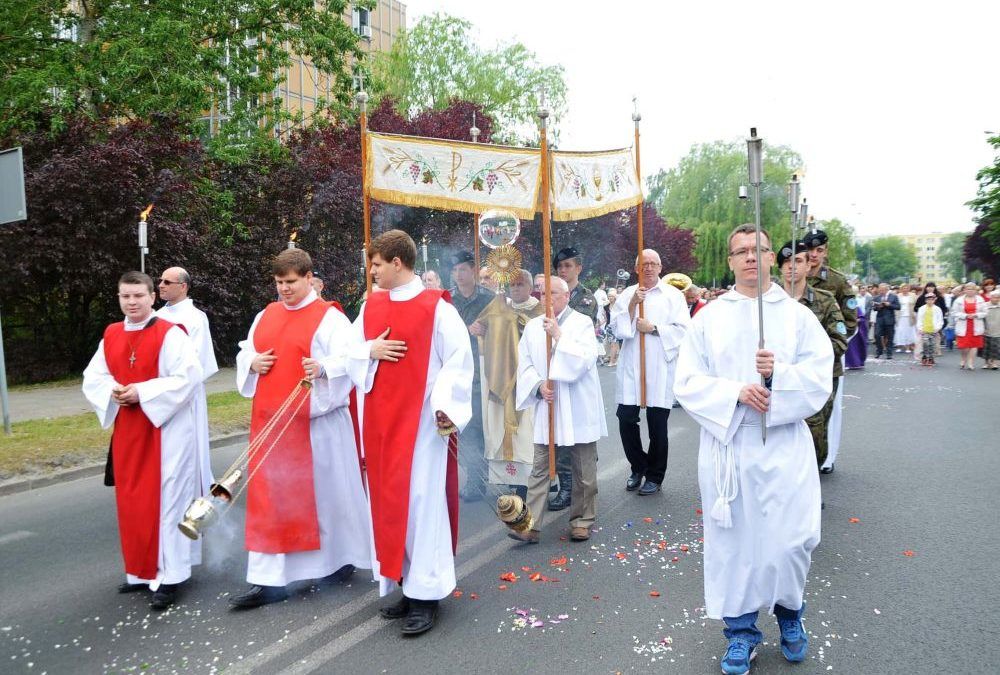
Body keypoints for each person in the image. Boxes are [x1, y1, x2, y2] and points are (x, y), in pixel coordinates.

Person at [674, 225, 832, 674]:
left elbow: (820, 377)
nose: (748, 257)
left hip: (783, 445)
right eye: (739, 251)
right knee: (736, 546)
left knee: (791, 541)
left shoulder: (798, 316)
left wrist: (779, 375)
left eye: (757, 250)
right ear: (729, 261)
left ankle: (790, 616)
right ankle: (740, 632)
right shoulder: (708, 317)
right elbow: (686, 381)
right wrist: (736, 392)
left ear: (770, 258)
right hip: (732, 446)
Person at [348, 229, 473, 636]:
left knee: (421, 506)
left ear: (396, 263)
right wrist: (370, 351)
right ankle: (406, 583)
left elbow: (457, 361)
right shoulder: (371, 306)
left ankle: (427, 595)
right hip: (381, 425)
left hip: (420, 426)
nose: (372, 271)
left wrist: (445, 407)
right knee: (389, 504)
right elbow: (345, 351)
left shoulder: (437, 308)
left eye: (376, 264)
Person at [230, 248, 371, 609]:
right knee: (270, 502)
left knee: (325, 499)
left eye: (291, 282)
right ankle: (268, 580)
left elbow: (350, 359)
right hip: (271, 426)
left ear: (309, 278)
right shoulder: (267, 313)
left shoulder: (331, 318)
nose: (284, 290)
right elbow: (246, 349)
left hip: (318, 427)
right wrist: (252, 362)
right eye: (279, 283)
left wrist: (323, 369)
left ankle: (336, 562)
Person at [82, 271, 202, 611]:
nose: (132, 302)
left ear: (152, 297)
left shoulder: (170, 334)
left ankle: (172, 575)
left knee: (168, 502)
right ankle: (140, 571)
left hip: (167, 433)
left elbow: (187, 378)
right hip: (130, 431)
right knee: (133, 501)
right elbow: (94, 376)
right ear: (119, 298)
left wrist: (142, 391)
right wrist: (113, 390)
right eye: (125, 297)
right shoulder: (112, 333)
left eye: (138, 296)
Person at [512, 276, 606, 543]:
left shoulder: (581, 322)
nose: (546, 298)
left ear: (566, 296)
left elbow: (586, 359)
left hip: (577, 404)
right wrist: (538, 385)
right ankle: (530, 525)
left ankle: (582, 520)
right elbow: (525, 363)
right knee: (541, 467)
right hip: (549, 402)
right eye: (542, 294)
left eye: (552, 293)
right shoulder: (531, 327)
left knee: (583, 468)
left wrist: (558, 336)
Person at [610, 249, 690, 496]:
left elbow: (685, 331)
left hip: (659, 366)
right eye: (643, 264)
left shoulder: (673, 296)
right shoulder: (626, 294)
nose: (648, 268)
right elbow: (618, 330)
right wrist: (633, 304)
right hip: (633, 365)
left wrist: (653, 328)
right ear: (636, 268)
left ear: (660, 267)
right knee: (625, 418)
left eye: (653, 263)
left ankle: (655, 475)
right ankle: (638, 466)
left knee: (657, 425)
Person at [468, 269, 543, 495]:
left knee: (529, 432)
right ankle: (513, 480)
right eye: (513, 285)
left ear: (530, 288)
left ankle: (537, 480)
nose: (516, 288)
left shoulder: (539, 310)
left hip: (530, 381)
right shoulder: (500, 308)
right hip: (504, 379)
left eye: (521, 284)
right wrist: (479, 330)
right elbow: (481, 326)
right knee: (506, 430)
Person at [778, 240, 847, 472]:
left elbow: (839, 340)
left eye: (797, 261)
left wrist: (806, 360)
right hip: (777, 376)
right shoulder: (768, 300)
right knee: (780, 431)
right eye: (786, 262)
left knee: (814, 430)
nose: (791, 267)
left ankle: (810, 483)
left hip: (816, 376)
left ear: (809, 266)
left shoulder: (825, 300)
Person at [155, 267, 219, 499]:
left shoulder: (195, 318)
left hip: (186, 394)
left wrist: (176, 384)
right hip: (157, 393)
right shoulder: (155, 317)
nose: (160, 285)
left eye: (167, 282)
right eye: (160, 280)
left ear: (183, 287)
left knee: (187, 446)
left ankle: (193, 492)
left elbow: (198, 361)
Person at [549, 247, 598, 511]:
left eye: (568, 266)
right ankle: (567, 484)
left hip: (576, 371)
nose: (563, 270)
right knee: (560, 435)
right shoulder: (551, 295)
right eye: (560, 266)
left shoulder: (586, 299)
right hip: (556, 372)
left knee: (580, 437)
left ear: (578, 268)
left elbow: (576, 332)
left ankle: (578, 487)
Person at [804, 230, 856, 474]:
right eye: (810, 250)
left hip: (829, 361)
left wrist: (826, 349)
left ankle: (825, 458)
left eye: (819, 250)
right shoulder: (791, 278)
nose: (814, 255)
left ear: (825, 252)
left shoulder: (837, 281)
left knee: (826, 413)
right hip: (795, 362)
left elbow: (849, 322)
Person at [448, 250, 494, 501]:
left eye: (463, 269)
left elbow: (503, 327)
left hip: (484, 367)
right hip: (457, 368)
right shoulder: (448, 299)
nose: (458, 275)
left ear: (473, 270)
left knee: (483, 424)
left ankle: (482, 477)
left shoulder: (489, 298)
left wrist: (486, 328)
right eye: (454, 271)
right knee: (465, 425)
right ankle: (476, 477)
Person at [952, 282, 988, 369]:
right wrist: (965, 315)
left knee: (974, 345)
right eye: (968, 289)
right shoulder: (958, 300)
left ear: (975, 290)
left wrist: (976, 315)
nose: (970, 291)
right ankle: (963, 359)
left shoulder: (980, 299)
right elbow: (954, 313)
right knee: (964, 346)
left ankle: (970, 362)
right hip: (963, 324)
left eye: (972, 289)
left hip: (976, 324)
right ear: (964, 290)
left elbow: (985, 312)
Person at [871, 283, 900, 358]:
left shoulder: (893, 296)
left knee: (890, 336)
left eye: (883, 290)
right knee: (877, 335)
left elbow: (898, 307)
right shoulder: (877, 297)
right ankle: (879, 351)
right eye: (880, 289)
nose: (881, 291)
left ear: (887, 289)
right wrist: (878, 307)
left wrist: (889, 305)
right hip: (880, 319)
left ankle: (889, 353)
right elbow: (874, 308)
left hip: (889, 319)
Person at [916, 293, 945, 366]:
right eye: (928, 300)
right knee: (926, 343)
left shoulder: (937, 309)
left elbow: (940, 320)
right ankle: (925, 356)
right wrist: (920, 328)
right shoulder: (922, 308)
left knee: (932, 344)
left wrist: (938, 328)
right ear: (925, 300)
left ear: (934, 300)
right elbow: (919, 319)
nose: (930, 301)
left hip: (933, 330)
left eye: (932, 300)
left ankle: (931, 358)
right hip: (924, 329)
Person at [844, 284, 868, 370]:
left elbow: (861, 316)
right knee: (849, 347)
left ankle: (856, 362)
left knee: (855, 346)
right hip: (847, 327)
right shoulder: (844, 301)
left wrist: (856, 321)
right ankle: (849, 363)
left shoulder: (856, 302)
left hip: (856, 329)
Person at [893, 284, 917, 356]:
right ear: (901, 289)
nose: (905, 289)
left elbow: (916, 305)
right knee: (899, 330)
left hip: (909, 316)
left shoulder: (913, 295)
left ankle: (908, 347)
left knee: (909, 331)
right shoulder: (897, 296)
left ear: (909, 289)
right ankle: (899, 346)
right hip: (900, 316)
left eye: (906, 288)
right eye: (903, 288)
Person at [983, 290, 1000, 370]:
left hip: (998, 330)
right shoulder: (985, 306)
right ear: (990, 297)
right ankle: (986, 363)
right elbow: (982, 318)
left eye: (998, 297)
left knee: (996, 347)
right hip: (987, 329)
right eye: (994, 297)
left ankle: (995, 363)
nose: (996, 299)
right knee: (986, 347)